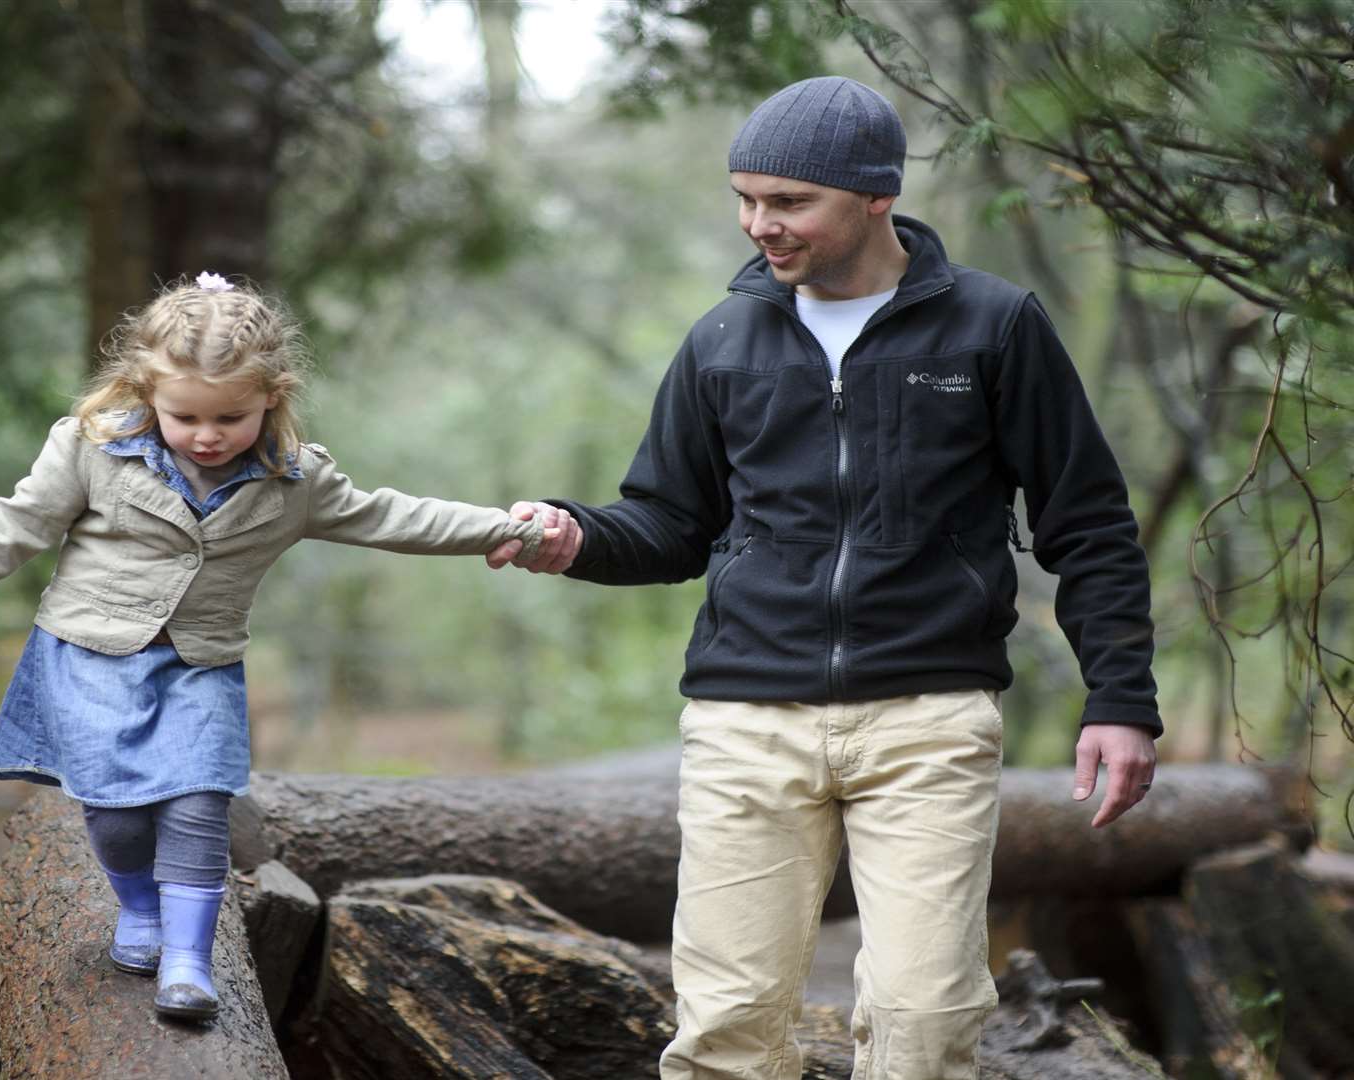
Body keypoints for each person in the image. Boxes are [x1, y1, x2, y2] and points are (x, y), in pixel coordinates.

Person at [487, 76, 1161, 1079]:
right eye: (746, 199)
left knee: (924, 1024)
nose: (762, 225)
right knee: (726, 1032)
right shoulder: (724, 339)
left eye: (790, 202)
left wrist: (1120, 696)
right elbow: (672, 525)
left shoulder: (992, 327)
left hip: (929, 717)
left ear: (877, 195)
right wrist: (574, 537)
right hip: (746, 720)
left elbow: (1089, 523)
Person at [0, 272, 553, 1023]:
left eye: (231, 416)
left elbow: (393, 516)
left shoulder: (296, 480)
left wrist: (503, 529)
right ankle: (140, 912)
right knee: (119, 815)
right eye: (185, 415)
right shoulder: (92, 450)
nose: (208, 434)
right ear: (144, 392)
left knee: (196, 806)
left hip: (200, 663)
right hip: (91, 654)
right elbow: (12, 526)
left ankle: (188, 962)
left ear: (272, 399)